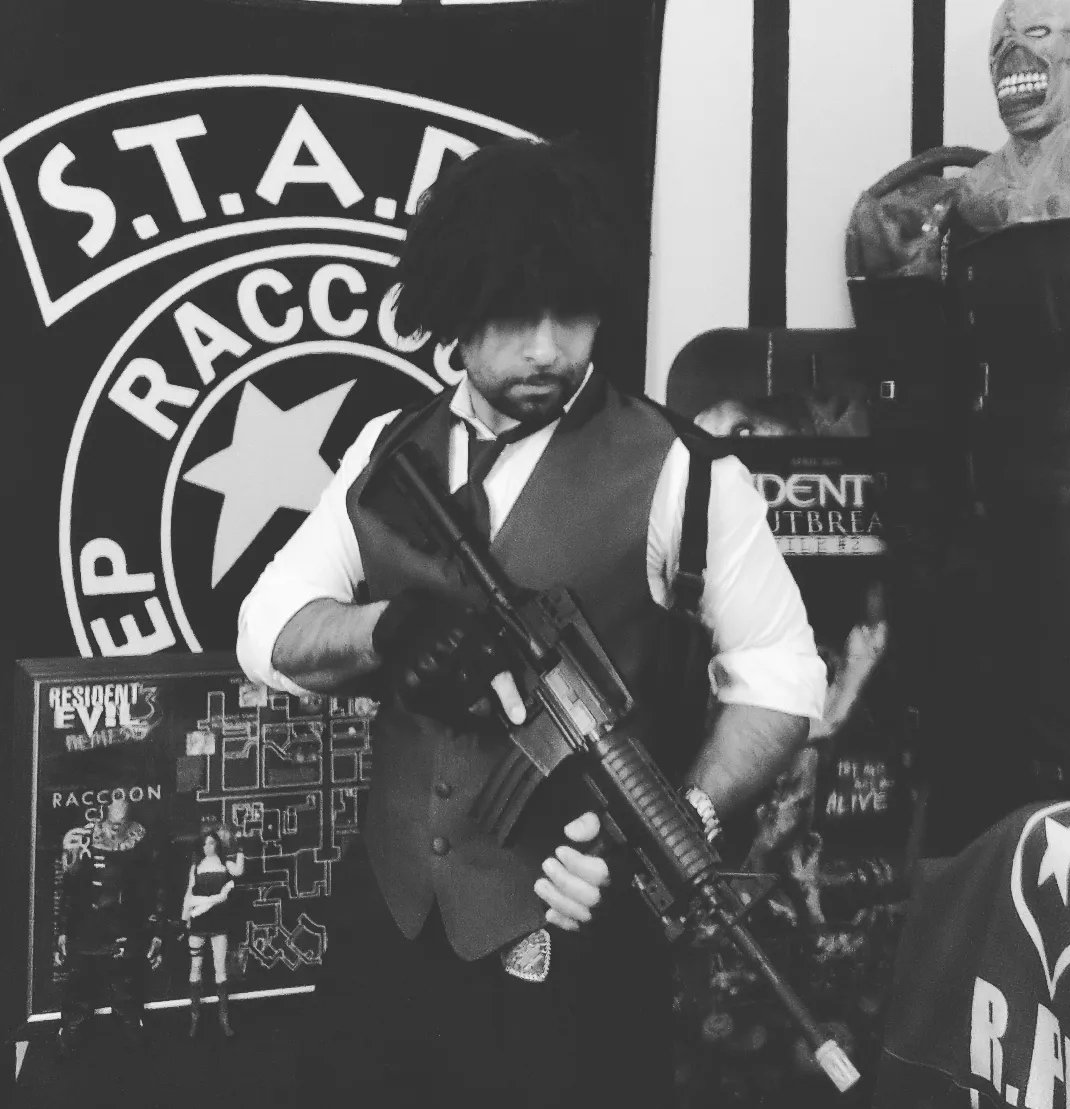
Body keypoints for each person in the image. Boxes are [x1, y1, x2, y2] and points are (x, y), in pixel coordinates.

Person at [236, 137, 826, 1108]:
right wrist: (385, 631)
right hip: (386, 920)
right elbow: (267, 630)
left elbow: (783, 674)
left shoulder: (683, 473)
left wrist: (684, 819)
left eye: (573, 312)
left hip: (573, 949)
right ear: (453, 312)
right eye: (514, 315)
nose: (548, 349)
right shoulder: (387, 452)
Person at [55, 797, 164, 1057]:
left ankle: (133, 1038)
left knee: (125, 992)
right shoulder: (85, 841)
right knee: (80, 991)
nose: (115, 829)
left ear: (129, 822)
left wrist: (156, 932)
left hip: (123, 928)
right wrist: (63, 930)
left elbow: (152, 891)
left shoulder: (140, 847)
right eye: (113, 823)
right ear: (105, 817)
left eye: (121, 823)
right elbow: (70, 889)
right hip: (88, 928)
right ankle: (69, 1036)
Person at [181, 825, 244, 1038]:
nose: (208, 846)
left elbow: (239, 871)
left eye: (211, 842)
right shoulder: (196, 866)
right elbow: (189, 894)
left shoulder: (224, 863)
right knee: (195, 968)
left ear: (217, 844)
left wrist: (240, 849)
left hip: (218, 922)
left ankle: (224, 1020)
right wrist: (185, 919)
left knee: (220, 969)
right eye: (205, 843)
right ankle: (194, 1019)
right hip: (198, 922)